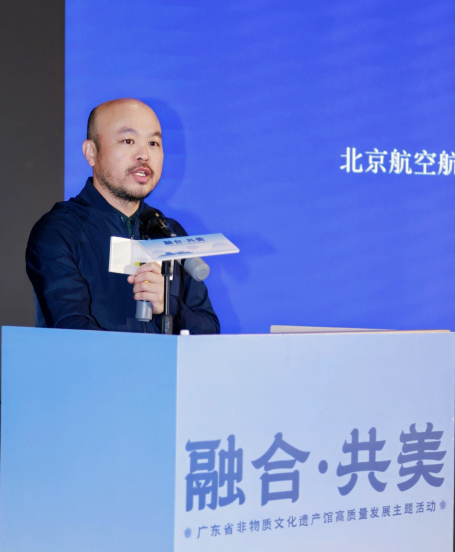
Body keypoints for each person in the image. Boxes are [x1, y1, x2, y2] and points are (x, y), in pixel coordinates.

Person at [26, 98, 220, 334]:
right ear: (91, 153)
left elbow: (209, 330)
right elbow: (72, 329)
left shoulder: (169, 232)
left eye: (153, 143)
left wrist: (169, 306)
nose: (144, 155)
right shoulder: (59, 231)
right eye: (128, 141)